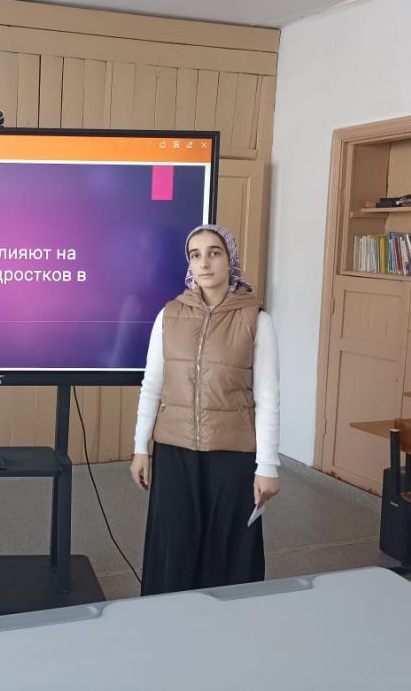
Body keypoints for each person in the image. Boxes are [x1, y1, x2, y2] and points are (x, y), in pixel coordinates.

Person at [130, 223, 280, 596]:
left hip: (232, 455)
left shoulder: (257, 320)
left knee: (225, 553)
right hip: (175, 450)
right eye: (195, 255)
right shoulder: (169, 316)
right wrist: (140, 448)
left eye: (214, 253)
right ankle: (168, 623)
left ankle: (226, 627)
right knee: (174, 547)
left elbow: (267, 398)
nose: (205, 263)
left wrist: (268, 466)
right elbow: (152, 385)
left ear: (230, 260)